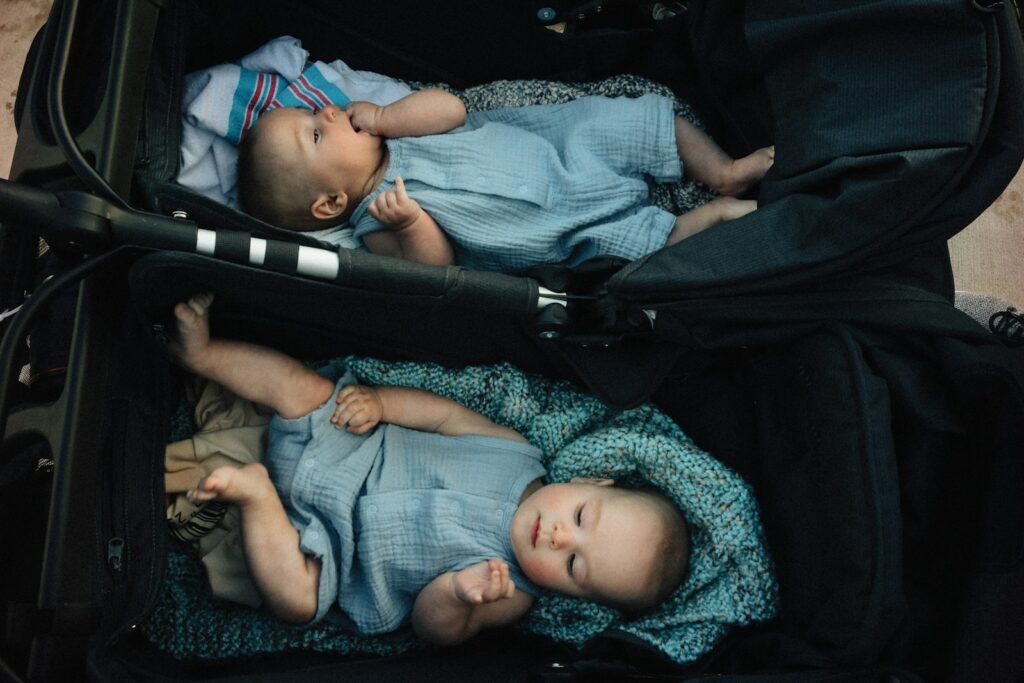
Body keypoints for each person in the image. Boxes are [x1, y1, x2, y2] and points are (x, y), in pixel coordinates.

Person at [170, 293, 690, 645]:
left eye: (574, 566)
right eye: (579, 517)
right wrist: (381, 403)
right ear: (588, 482)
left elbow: (433, 628)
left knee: (297, 603)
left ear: (576, 597)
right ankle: (204, 354)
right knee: (306, 390)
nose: (558, 538)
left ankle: (256, 495)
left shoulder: (509, 593)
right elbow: (444, 416)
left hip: (332, 553)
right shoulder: (517, 452)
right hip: (349, 449)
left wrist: (459, 594)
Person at [236, 89, 773, 272]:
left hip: (561, 152)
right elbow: (434, 269)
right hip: (556, 228)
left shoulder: (398, 127)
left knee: (638, 120)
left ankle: (724, 172)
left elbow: (451, 109)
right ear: (331, 203)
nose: (329, 113)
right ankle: (711, 217)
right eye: (316, 133)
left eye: (314, 111)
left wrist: (385, 116)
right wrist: (411, 223)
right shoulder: (377, 222)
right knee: (641, 249)